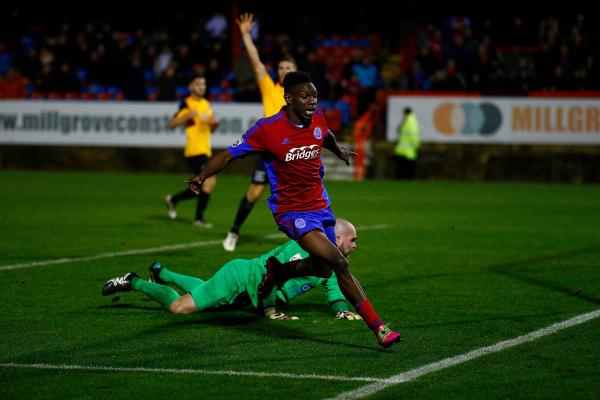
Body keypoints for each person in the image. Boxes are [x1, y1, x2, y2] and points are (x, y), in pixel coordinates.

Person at [185, 71, 401, 348]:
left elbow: (326, 134)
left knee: (323, 270)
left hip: (321, 207)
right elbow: (228, 154)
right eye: (305, 96)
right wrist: (202, 176)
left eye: (314, 96)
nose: (312, 101)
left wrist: (339, 151)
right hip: (292, 212)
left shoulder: (317, 119)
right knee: (339, 263)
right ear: (288, 99)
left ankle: (277, 272)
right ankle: (379, 328)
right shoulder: (267, 129)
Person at [101, 219, 363, 321]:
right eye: (352, 239)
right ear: (337, 239)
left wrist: (340, 308)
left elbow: (333, 283)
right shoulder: (303, 249)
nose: (356, 245)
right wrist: (270, 309)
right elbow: (270, 272)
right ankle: (133, 281)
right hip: (243, 279)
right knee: (180, 308)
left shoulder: (329, 261)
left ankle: (163, 273)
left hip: (247, 290)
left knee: (204, 291)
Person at [222, 13, 297, 252]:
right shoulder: (270, 88)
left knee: (298, 195)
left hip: (292, 153)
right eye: (282, 67)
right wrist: (245, 34)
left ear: (295, 70)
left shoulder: (303, 94)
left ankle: (303, 237)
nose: (284, 70)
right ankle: (234, 231)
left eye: (289, 67)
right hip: (269, 152)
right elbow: (255, 62)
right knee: (254, 193)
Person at [165, 75, 219, 227]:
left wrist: (215, 124)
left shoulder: (206, 104)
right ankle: (198, 219)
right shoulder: (186, 103)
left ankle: (173, 200)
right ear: (191, 87)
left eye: (203, 84)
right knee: (209, 181)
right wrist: (185, 117)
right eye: (198, 84)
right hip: (194, 151)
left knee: (201, 186)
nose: (202, 86)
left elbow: (211, 130)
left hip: (205, 151)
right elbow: (171, 124)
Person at [393, 107, 421, 180]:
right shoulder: (408, 121)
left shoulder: (409, 122)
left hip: (407, 151)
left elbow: (413, 136)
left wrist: (416, 146)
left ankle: (408, 181)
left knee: (406, 170)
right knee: (405, 169)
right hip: (407, 150)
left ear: (405, 113)